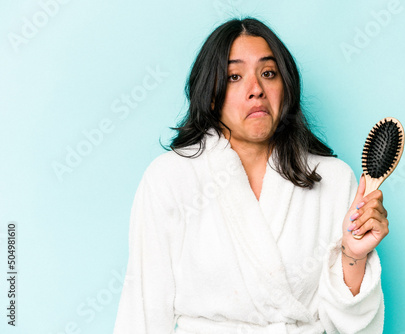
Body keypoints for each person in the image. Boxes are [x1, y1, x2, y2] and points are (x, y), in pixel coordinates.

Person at [113, 17, 389, 334]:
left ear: (286, 86)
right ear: (211, 94)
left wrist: (354, 255)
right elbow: (144, 309)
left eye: (268, 73)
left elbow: (350, 324)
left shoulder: (333, 179)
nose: (255, 89)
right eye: (234, 76)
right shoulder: (171, 178)